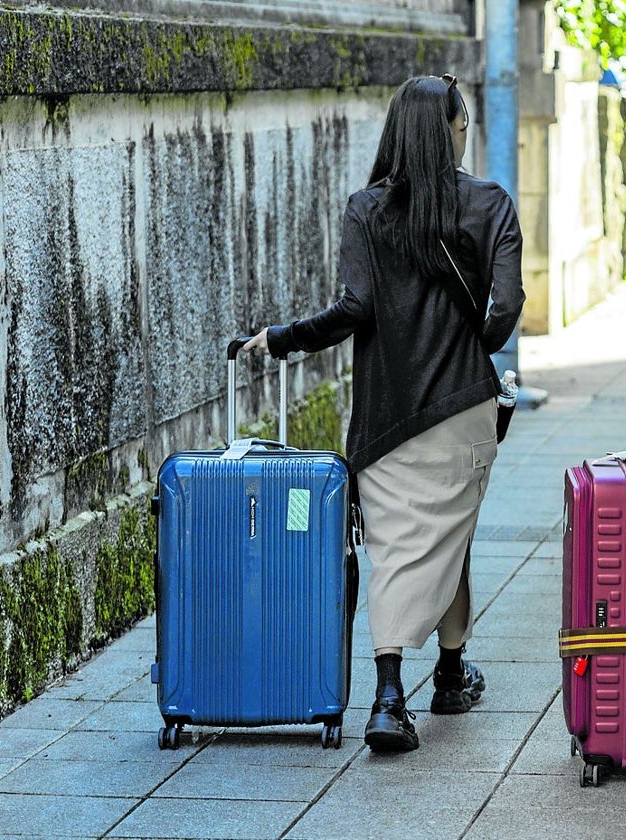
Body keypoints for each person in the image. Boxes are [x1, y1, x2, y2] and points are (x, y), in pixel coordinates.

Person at [242, 74, 525, 753]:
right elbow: (508, 307)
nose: (467, 134)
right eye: (464, 124)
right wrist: (476, 347)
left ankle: (416, 686)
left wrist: (280, 338)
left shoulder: (366, 209)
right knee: (450, 533)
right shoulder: (490, 205)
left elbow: (352, 311)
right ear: (451, 129)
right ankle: (419, 686)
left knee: (400, 547)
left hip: (385, 409)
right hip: (463, 406)